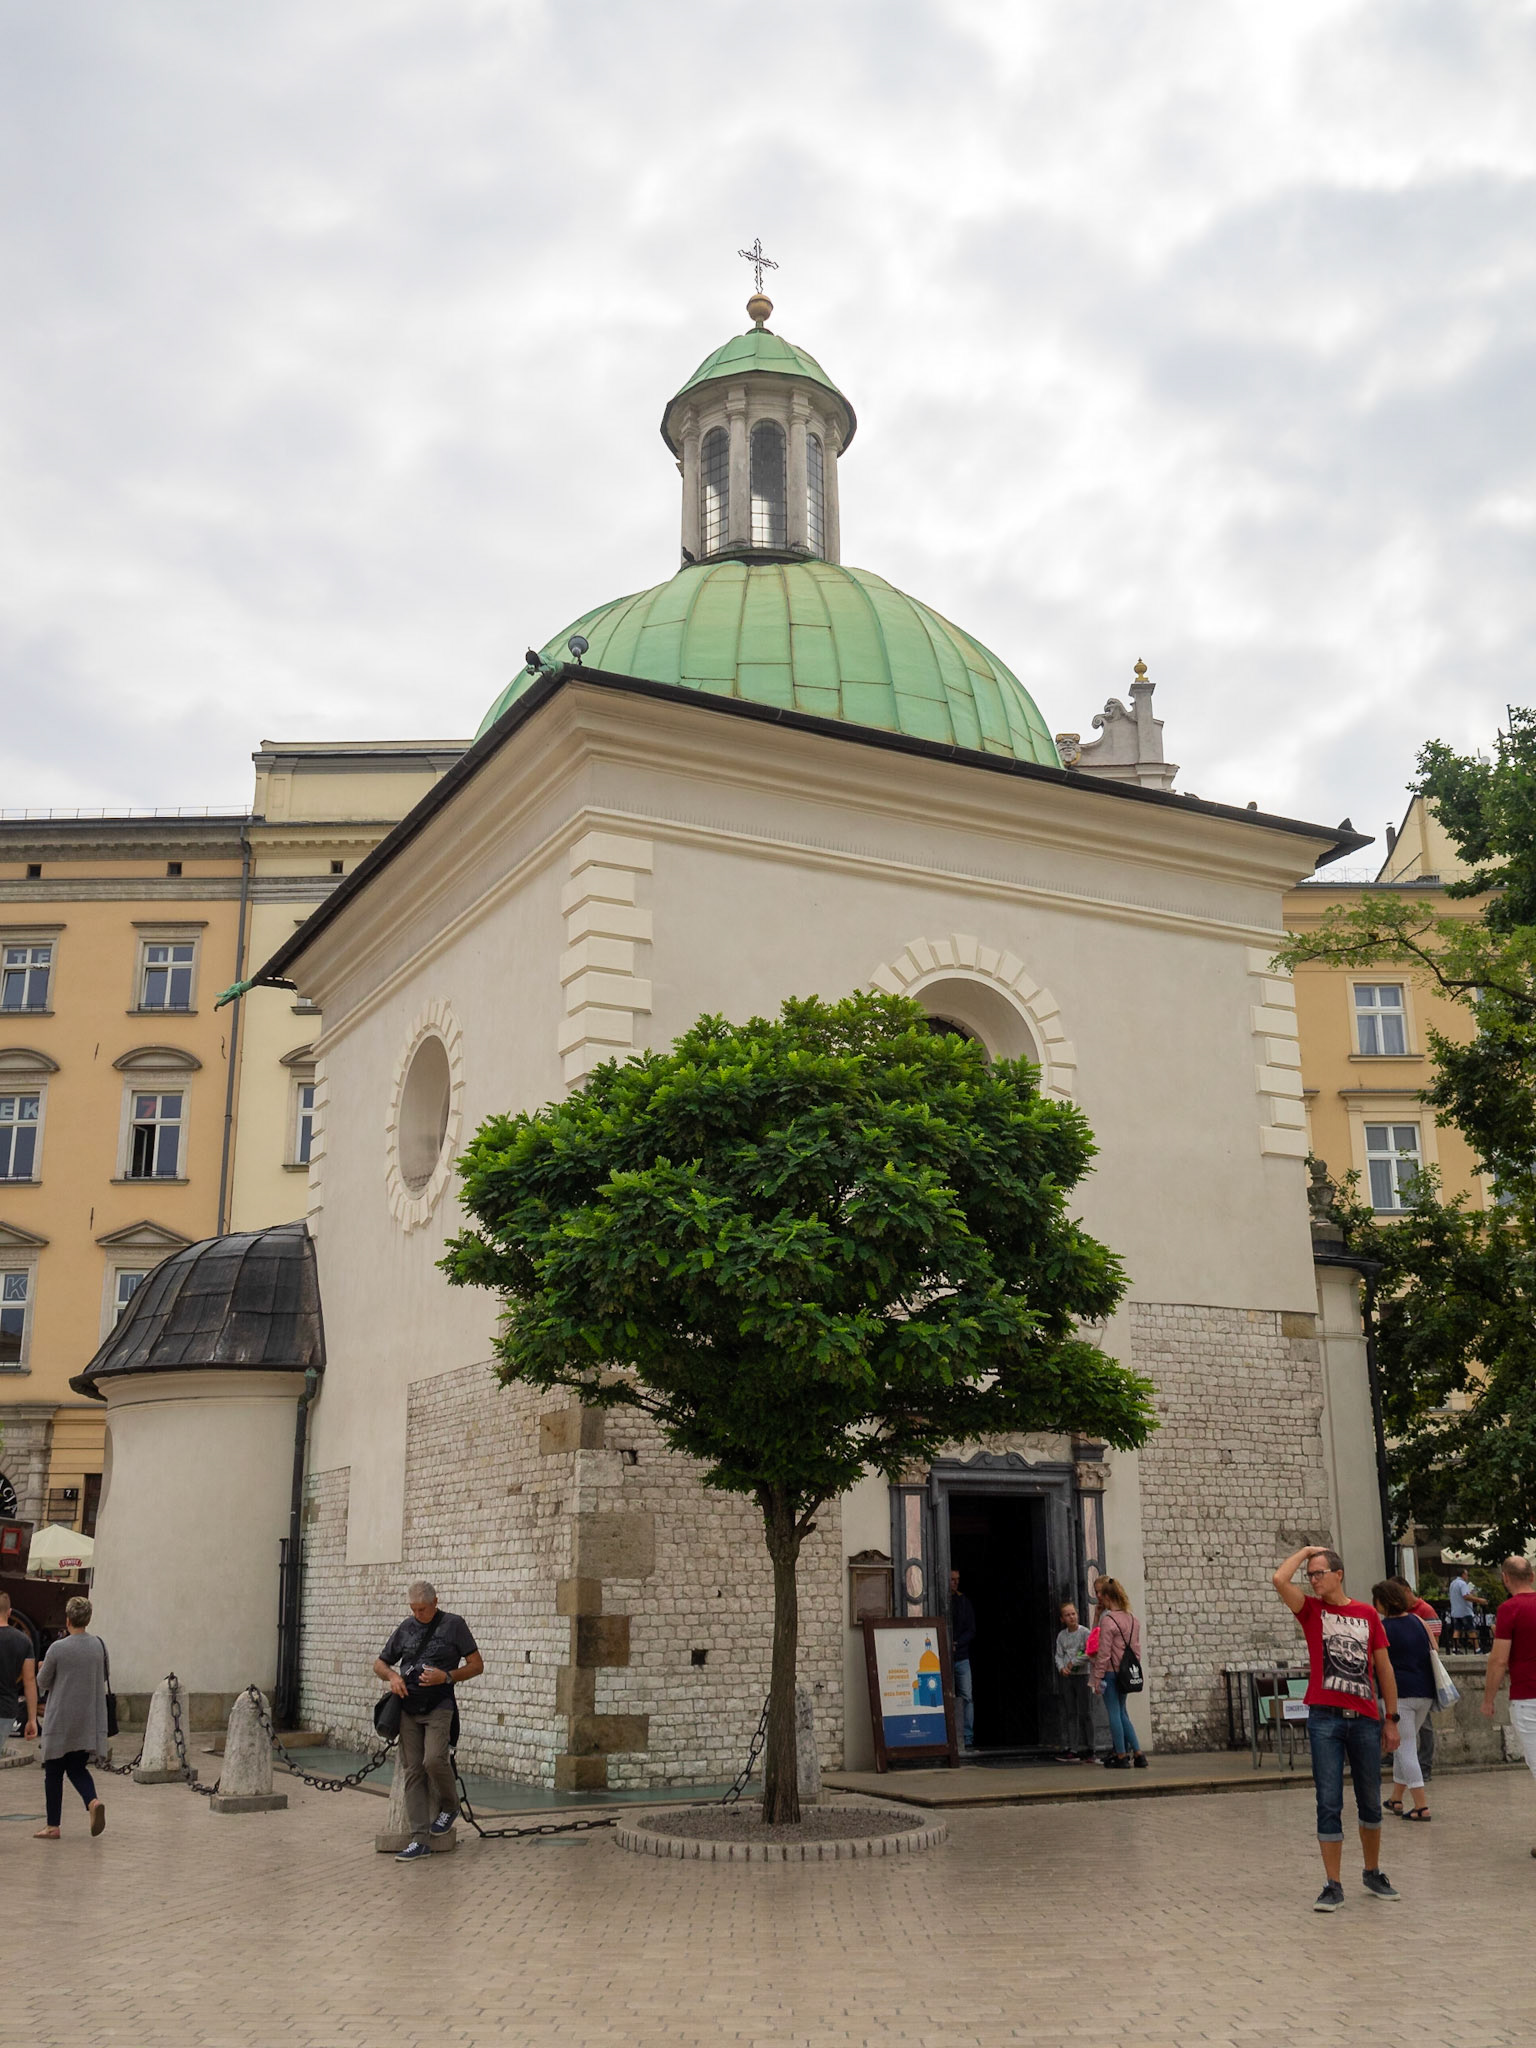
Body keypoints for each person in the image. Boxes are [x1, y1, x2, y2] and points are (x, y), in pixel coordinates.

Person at [1273, 1545, 1401, 1910]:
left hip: (1364, 1719)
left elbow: (1384, 1668)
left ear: (1338, 1574)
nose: (1312, 1580)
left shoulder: (1366, 1615)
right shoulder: (1311, 1611)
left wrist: (1390, 1718)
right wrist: (1307, 1552)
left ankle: (1372, 1872)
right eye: (1310, 1575)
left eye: (1318, 1573)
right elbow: (1279, 1579)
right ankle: (1332, 1883)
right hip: (1325, 1718)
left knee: (1370, 1799)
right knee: (1328, 1800)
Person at [374, 1580, 483, 1862]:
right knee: (413, 1771)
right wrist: (393, 1677)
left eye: (423, 1609)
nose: (418, 1614)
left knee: (434, 1760)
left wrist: (446, 1676)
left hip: (439, 1705)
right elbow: (380, 1663)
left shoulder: (454, 1625)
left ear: (436, 1602)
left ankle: (450, 1805)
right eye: (414, 1609)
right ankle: (419, 1840)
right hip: (408, 1707)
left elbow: (476, 1665)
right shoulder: (406, 1627)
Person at [33, 1595, 107, 1841]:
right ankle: (93, 1801)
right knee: (77, 1767)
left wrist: (44, 1666)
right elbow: (103, 1676)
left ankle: (53, 1826)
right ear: (88, 1618)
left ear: (68, 1619)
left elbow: (42, 1682)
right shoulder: (99, 1645)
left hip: (60, 1720)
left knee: (53, 1772)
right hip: (86, 1719)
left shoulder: (58, 1648)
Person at [1481, 1553, 1536, 1842]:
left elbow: (1499, 1660)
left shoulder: (1509, 1609)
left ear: (1505, 1579)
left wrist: (1488, 1698)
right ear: (1532, 1576)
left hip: (1528, 1697)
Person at [1372, 1580, 1434, 1822]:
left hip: (1398, 1695)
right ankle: (1396, 1798)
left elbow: (1376, 1661)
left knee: (1406, 1748)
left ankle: (1421, 1805)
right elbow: (1434, 1647)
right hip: (1425, 1692)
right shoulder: (1418, 1621)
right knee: (1401, 1745)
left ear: (1383, 1601)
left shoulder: (1382, 1628)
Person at [1089, 1577, 1146, 1769]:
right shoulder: (1133, 1619)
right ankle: (1138, 1753)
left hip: (1111, 1672)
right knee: (1122, 1712)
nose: (1099, 1598)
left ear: (1106, 1596)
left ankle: (1121, 1755)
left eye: (1100, 1595)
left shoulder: (1108, 1620)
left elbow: (1103, 1652)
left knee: (1114, 1712)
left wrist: (1097, 1678)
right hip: (1126, 1673)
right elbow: (1136, 1650)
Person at [1387, 1576, 1440, 1780]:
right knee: (1407, 1737)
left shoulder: (1425, 1611)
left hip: (1418, 1679)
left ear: (1407, 1591)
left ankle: (1424, 1765)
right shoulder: (1406, 1615)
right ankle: (1398, 1794)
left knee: (1423, 1728)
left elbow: (1434, 1644)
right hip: (1415, 1681)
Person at [1053, 1600, 1094, 1762]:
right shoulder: (1062, 1636)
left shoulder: (1085, 1633)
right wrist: (1061, 1667)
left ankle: (1090, 1747)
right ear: (1062, 1619)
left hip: (1082, 1676)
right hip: (1068, 1677)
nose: (1071, 1617)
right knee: (1071, 1712)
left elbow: (1089, 1652)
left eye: (1073, 1614)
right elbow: (1059, 1654)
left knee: (1086, 1712)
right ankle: (1073, 1748)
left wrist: (1074, 1662)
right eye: (1067, 1615)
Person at [0, 1596, 38, 1754]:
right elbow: (29, 1681)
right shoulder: (23, 1641)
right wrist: (32, 1719)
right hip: (6, 1708)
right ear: (9, 1612)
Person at [948, 1568, 976, 1752]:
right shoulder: (945, 1601)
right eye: (952, 1580)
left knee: (966, 1696)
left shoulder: (964, 1602)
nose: (955, 1583)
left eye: (958, 1579)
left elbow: (971, 1629)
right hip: (941, 1657)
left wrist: (957, 1644)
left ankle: (967, 1737)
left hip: (962, 1657)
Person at [1448, 1567, 1477, 1653]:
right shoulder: (1462, 1584)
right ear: (1463, 1575)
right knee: (1471, 1630)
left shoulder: (1452, 1583)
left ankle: (1455, 1648)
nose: (1467, 1576)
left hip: (1455, 1611)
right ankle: (1477, 1648)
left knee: (1457, 1630)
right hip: (1465, 1611)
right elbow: (1466, 1596)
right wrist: (1478, 1599)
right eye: (1467, 1574)